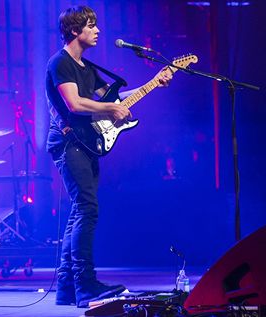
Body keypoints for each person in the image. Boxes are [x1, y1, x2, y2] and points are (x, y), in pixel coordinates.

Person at [45, 6, 172, 308]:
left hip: (86, 143)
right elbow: (75, 104)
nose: (98, 30)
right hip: (68, 142)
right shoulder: (60, 62)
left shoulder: (87, 68)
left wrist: (154, 82)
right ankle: (86, 284)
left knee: (80, 211)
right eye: (91, 25)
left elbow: (117, 99)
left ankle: (67, 287)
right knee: (87, 209)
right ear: (75, 30)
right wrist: (111, 110)